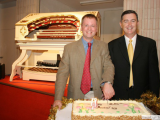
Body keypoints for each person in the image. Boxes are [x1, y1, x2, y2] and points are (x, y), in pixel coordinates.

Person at [53, 14, 115, 109]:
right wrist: (58, 98)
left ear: (97, 29)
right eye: (86, 25)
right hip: (75, 96)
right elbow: (62, 74)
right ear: (81, 28)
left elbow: (108, 66)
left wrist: (107, 82)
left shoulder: (103, 46)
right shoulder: (69, 48)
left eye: (93, 26)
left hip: (97, 95)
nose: (89, 28)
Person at [108, 10, 160, 100]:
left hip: (143, 96)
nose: (129, 24)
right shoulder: (112, 45)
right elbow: (109, 70)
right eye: (126, 21)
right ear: (121, 24)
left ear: (137, 23)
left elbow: (154, 74)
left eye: (133, 21)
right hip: (118, 96)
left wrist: (154, 100)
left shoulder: (149, 44)